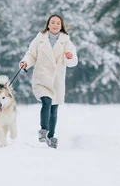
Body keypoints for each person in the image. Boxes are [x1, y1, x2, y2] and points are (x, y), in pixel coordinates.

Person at [20, 14, 78, 149]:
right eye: (53, 22)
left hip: (57, 79)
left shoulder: (66, 41)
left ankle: (51, 137)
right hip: (42, 77)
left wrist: (70, 57)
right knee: (46, 101)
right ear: (48, 24)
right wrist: (25, 62)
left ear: (61, 26)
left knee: (54, 110)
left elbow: (73, 61)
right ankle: (43, 130)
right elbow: (31, 54)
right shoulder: (39, 39)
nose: (55, 25)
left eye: (58, 23)